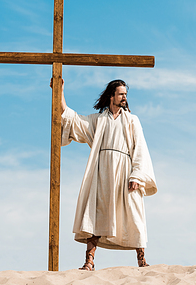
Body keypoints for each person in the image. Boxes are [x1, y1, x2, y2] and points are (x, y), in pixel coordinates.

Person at [57, 78, 157, 271]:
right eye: (121, 94)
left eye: (125, 94)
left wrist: (136, 174)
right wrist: (59, 92)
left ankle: (142, 259)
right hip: (102, 172)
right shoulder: (98, 120)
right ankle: (89, 261)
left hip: (126, 172)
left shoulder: (132, 120)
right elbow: (72, 119)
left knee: (134, 212)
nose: (124, 97)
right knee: (97, 212)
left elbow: (140, 148)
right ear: (111, 96)